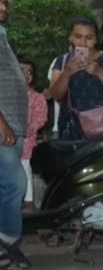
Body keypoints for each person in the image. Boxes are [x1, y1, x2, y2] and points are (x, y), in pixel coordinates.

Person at [46, 17, 103, 141]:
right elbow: (55, 94)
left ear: (96, 39)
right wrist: (67, 73)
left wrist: (99, 72)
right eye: (78, 36)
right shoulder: (62, 61)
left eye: (89, 38)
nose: (83, 42)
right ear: (70, 37)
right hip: (72, 126)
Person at [0, 0, 30, 269]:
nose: (3, 7)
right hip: (3, 124)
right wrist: (2, 123)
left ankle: (6, 247)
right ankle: (7, 240)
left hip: (12, 123)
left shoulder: (2, 36)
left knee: (4, 186)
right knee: (15, 183)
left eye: (5, 2)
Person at [17, 58, 45, 210]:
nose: (26, 75)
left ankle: (29, 200)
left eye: (29, 72)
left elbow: (41, 118)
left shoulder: (36, 97)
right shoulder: (6, 94)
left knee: (25, 167)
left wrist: (27, 130)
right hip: (6, 140)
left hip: (26, 140)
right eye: (21, 70)